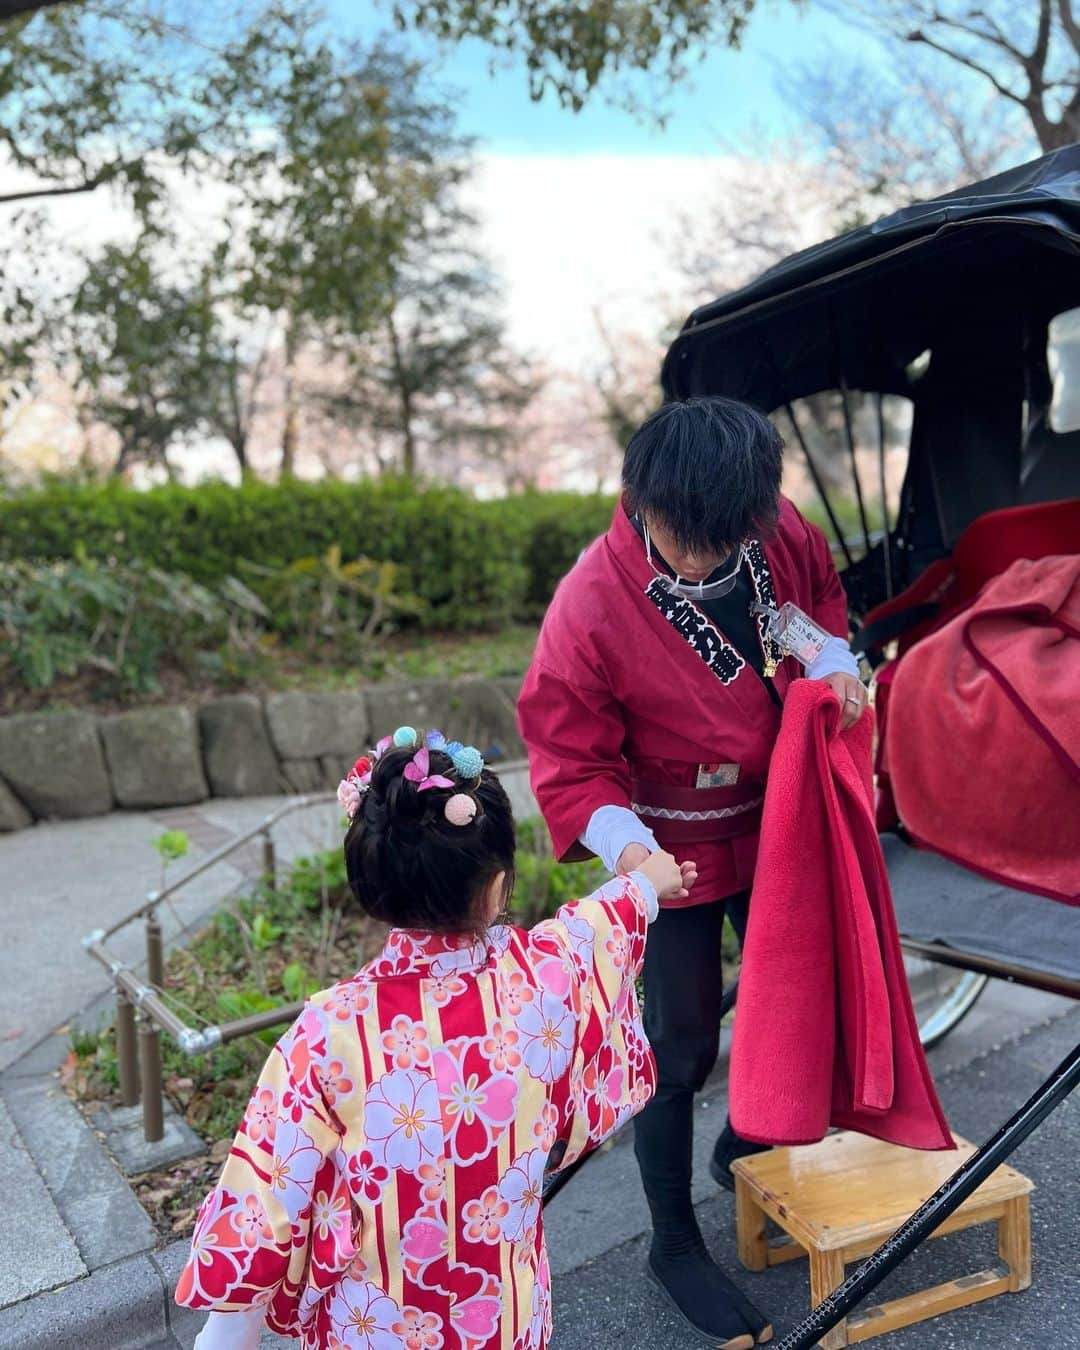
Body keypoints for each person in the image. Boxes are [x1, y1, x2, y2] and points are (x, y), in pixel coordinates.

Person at [517, 396, 868, 1346]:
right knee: (676, 1047)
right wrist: (635, 860)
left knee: (789, 995)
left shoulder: (769, 524)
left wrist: (835, 664)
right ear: (638, 498)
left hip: (777, 816)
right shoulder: (589, 605)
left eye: (727, 537)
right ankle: (671, 1241)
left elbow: (814, 607)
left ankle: (743, 1140)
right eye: (686, 538)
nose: (708, 559)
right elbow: (569, 757)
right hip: (664, 840)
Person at [175, 726, 696, 1350]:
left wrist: (229, 1333)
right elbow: (599, 927)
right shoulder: (541, 981)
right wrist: (648, 883)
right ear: (497, 884)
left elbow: (270, 1203)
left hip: (378, 1325)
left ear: (370, 885)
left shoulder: (331, 1034)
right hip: (505, 1316)